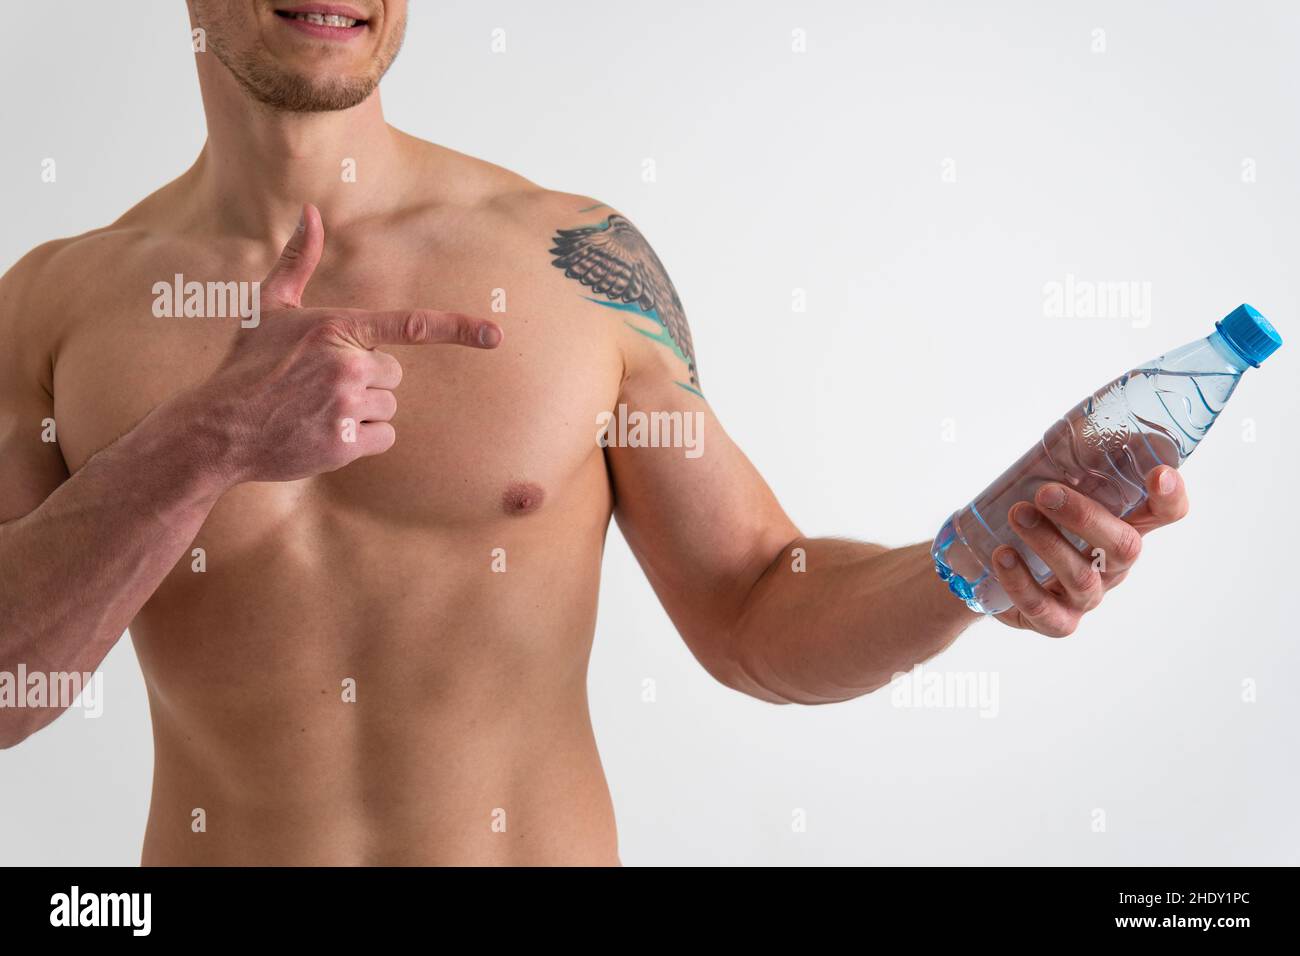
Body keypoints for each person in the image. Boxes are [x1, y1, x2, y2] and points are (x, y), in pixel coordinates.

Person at [0, 1, 1189, 865]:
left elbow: (752, 610)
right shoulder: (56, 306)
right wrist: (197, 444)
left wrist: (966, 563)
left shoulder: (574, 265)